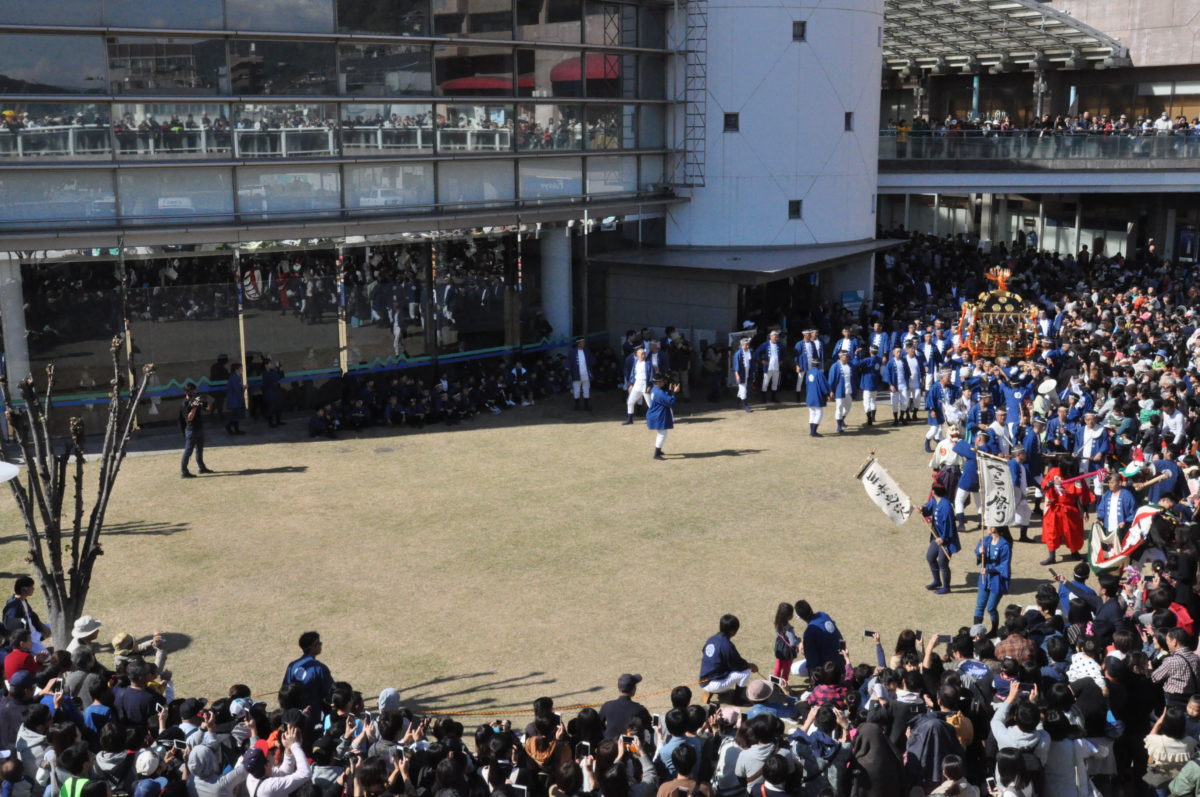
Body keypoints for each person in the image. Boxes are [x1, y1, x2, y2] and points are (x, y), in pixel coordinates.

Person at [699, 614, 756, 700]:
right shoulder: (727, 646)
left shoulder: (711, 639)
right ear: (733, 632)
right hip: (714, 684)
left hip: (704, 680)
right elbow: (739, 665)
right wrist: (750, 665)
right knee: (746, 671)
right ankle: (739, 699)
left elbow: (704, 651)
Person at [281, 631, 334, 723]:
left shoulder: (292, 666)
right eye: (319, 643)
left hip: (293, 716)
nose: (321, 645)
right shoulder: (320, 668)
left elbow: (285, 690)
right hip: (313, 715)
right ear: (313, 646)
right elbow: (329, 693)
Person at [1041, 460, 1085, 565]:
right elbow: (1044, 484)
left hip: (1070, 508)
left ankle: (1074, 552)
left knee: (1073, 531)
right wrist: (1051, 483)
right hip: (1054, 507)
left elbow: (1081, 496)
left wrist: (1084, 510)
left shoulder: (1076, 478)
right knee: (1052, 531)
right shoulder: (1054, 472)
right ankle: (1051, 556)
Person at [922, 482, 960, 595]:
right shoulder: (934, 501)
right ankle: (937, 581)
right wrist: (922, 510)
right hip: (936, 536)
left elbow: (949, 525)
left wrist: (943, 538)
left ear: (934, 492)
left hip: (946, 539)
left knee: (943, 562)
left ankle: (946, 586)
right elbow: (928, 509)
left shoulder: (946, 506)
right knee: (930, 557)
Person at [973, 526, 1012, 633]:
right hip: (984, 578)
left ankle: (994, 630)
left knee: (990, 607)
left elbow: (1004, 565)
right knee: (980, 606)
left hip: (997, 580)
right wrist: (979, 553)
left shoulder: (1004, 545)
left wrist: (989, 571)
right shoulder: (985, 540)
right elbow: (977, 554)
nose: (987, 527)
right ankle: (976, 632)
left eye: (991, 525)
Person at [3, 577, 50, 653]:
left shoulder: (23, 600)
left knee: (57, 627)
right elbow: (11, 627)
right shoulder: (13, 607)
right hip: (29, 638)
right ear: (24, 589)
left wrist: (42, 626)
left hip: (34, 630)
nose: (33, 589)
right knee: (47, 658)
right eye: (31, 587)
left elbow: (32, 616)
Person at [598, 674, 652, 739]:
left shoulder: (607, 706)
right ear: (633, 689)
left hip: (609, 747)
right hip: (630, 747)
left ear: (619, 688)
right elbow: (650, 726)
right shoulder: (639, 709)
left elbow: (598, 724)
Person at [179, 383, 214, 478]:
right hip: (191, 430)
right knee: (188, 451)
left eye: (195, 391)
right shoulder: (185, 403)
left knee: (199, 450)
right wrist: (194, 408)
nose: (195, 393)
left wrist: (206, 402)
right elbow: (189, 418)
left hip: (199, 429)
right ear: (187, 392)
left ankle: (202, 468)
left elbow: (208, 409)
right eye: (193, 391)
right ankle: (184, 471)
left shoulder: (195, 400)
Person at [646, 372, 678, 460]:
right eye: (662, 381)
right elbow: (670, 402)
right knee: (662, 434)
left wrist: (670, 391)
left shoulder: (655, 390)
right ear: (658, 382)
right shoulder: (659, 392)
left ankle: (658, 451)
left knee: (662, 433)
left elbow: (665, 398)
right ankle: (656, 454)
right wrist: (674, 392)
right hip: (658, 416)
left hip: (656, 414)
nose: (664, 382)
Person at [827, 349, 858, 433]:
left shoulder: (851, 365)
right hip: (839, 390)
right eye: (846, 356)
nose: (847, 357)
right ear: (840, 356)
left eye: (848, 356)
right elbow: (831, 380)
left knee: (848, 407)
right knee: (839, 407)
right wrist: (830, 391)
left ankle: (842, 419)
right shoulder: (835, 366)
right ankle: (839, 426)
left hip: (849, 390)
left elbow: (854, 378)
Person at [622, 347, 652, 425]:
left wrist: (650, 385)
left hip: (645, 385)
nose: (644, 355)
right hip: (637, 385)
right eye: (642, 354)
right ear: (637, 355)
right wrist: (631, 384)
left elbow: (652, 375)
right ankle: (630, 419)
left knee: (650, 404)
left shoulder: (648, 363)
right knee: (630, 402)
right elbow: (633, 374)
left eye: (644, 353)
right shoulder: (635, 362)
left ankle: (655, 418)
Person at [771, 603, 799, 684]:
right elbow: (793, 642)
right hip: (787, 651)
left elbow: (777, 634)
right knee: (786, 669)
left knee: (778, 666)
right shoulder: (789, 629)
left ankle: (775, 683)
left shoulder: (777, 623)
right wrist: (799, 639)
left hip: (779, 647)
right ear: (788, 616)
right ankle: (783, 685)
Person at [803, 360, 830, 438]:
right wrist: (827, 393)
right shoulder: (819, 373)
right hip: (817, 395)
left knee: (812, 413)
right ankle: (814, 431)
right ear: (819, 365)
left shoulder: (808, 372)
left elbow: (806, 384)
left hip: (809, 395)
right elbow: (823, 385)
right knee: (819, 413)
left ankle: (811, 431)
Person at [755, 330, 784, 404]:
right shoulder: (765, 344)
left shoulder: (780, 345)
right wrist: (761, 361)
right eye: (775, 336)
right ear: (771, 337)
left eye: (777, 336)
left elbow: (784, 353)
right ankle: (763, 399)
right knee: (765, 383)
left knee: (775, 383)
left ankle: (773, 398)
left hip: (777, 367)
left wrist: (782, 360)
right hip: (768, 367)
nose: (776, 338)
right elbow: (757, 352)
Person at [569, 338, 595, 411]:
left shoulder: (587, 351)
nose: (584, 344)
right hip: (576, 374)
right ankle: (577, 406)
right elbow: (569, 364)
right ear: (579, 343)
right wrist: (570, 374)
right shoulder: (572, 352)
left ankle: (586, 405)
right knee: (576, 390)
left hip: (586, 374)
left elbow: (592, 361)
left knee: (586, 389)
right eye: (582, 342)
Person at [731, 337, 756, 413]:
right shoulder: (738, 354)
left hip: (748, 373)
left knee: (741, 390)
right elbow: (735, 366)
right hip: (741, 374)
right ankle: (745, 406)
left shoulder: (749, 352)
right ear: (742, 345)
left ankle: (737, 404)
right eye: (746, 345)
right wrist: (737, 375)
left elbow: (751, 363)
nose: (748, 346)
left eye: (748, 344)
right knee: (743, 390)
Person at [224, 363, 246, 436]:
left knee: (236, 416)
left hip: (235, 400)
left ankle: (236, 429)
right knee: (235, 416)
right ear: (237, 370)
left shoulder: (236, 377)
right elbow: (237, 390)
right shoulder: (234, 378)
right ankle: (229, 427)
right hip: (234, 400)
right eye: (241, 368)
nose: (242, 370)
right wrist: (243, 388)